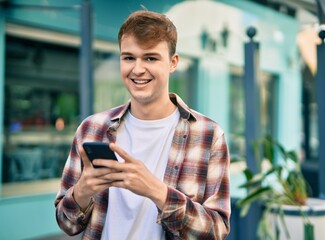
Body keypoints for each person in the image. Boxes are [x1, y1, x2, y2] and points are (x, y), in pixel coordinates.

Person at [55, 10, 230, 240]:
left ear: (173, 62)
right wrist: (83, 191)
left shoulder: (208, 135)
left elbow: (216, 231)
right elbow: (66, 225)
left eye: (150, 58)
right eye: (128, 57)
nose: (137, 69)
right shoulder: (91, 129)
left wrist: (156, 191)